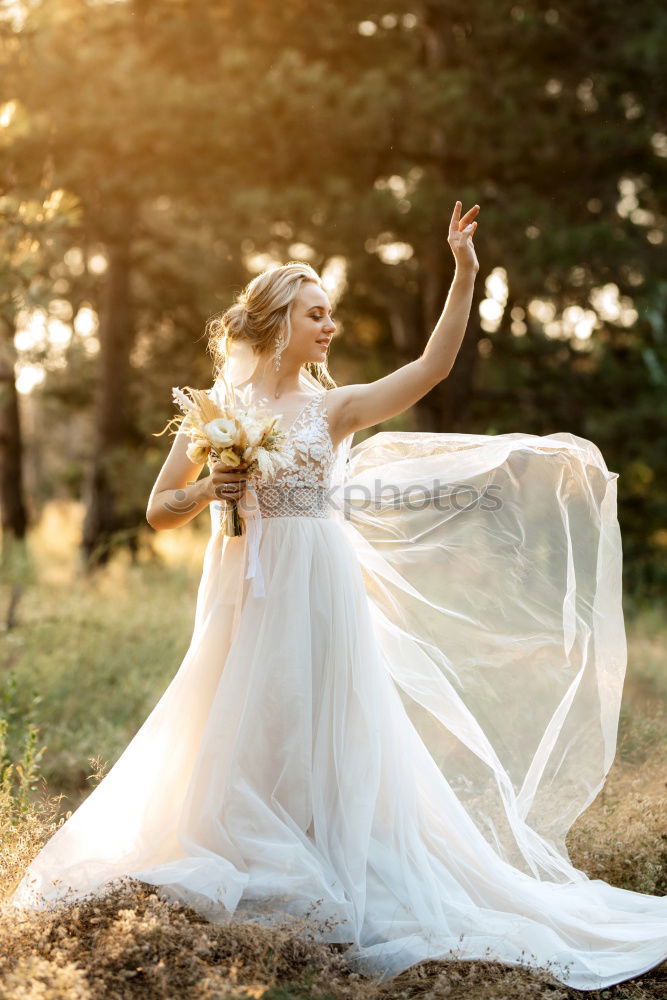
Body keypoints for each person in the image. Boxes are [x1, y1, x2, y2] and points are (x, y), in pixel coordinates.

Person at [11, 203, 667, 991]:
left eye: (331, 314)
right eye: (315, 314)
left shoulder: (335, 408)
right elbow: (159, 506)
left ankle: (327, 852)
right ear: (277, 320)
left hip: (317, 579)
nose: (328, 326)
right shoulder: (217, 410)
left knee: (316, 710)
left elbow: (430, 369)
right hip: (239, 584)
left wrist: (463, 274)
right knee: (236, 710)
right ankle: (246, 845)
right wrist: (208, 491)